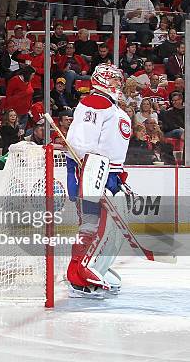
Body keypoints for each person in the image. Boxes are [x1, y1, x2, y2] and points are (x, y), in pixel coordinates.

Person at [66, 64, 131, 299]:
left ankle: (97, 266)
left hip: (107, 173)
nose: (118, 84)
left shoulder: (111, 108)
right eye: (114, 80)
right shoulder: (95, 103)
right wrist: (90, 176)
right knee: (93, 225)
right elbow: (80, 144)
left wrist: (114, 176)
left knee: (110, 228)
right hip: (93, 172)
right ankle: (78, 274)